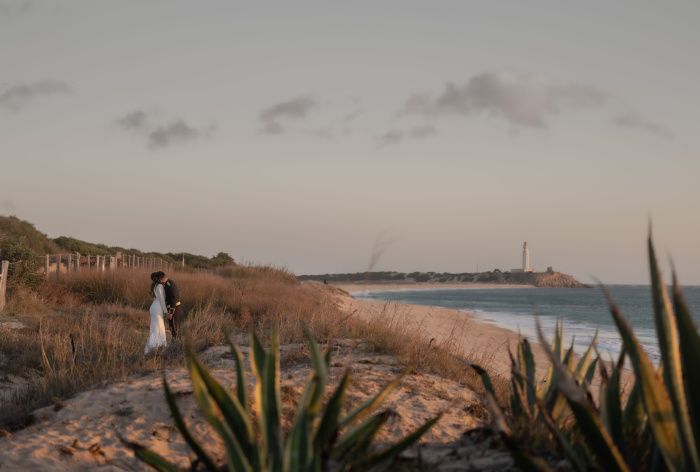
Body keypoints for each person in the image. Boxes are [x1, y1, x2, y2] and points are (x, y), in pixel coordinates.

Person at [145, 272, 168, 354]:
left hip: (153, 307)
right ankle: (157, 347)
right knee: (159, 328)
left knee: (155, 328)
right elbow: (162, 300)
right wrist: (166, 312)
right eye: (163, 277)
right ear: (160, 278)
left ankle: (154, 347)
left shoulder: (154, 286)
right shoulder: (160, 286)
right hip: (158, 308)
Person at [155, 271, 183, 339]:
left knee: (174, 327)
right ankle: (175, 342)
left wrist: (170, 312)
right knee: (172, 327)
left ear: (161, 278)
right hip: (173, 308)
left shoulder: (169, 284)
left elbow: (174, 298)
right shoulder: (167, 283)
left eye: (159, 280)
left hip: (175, 308)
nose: (159, 281)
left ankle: (176, 344)